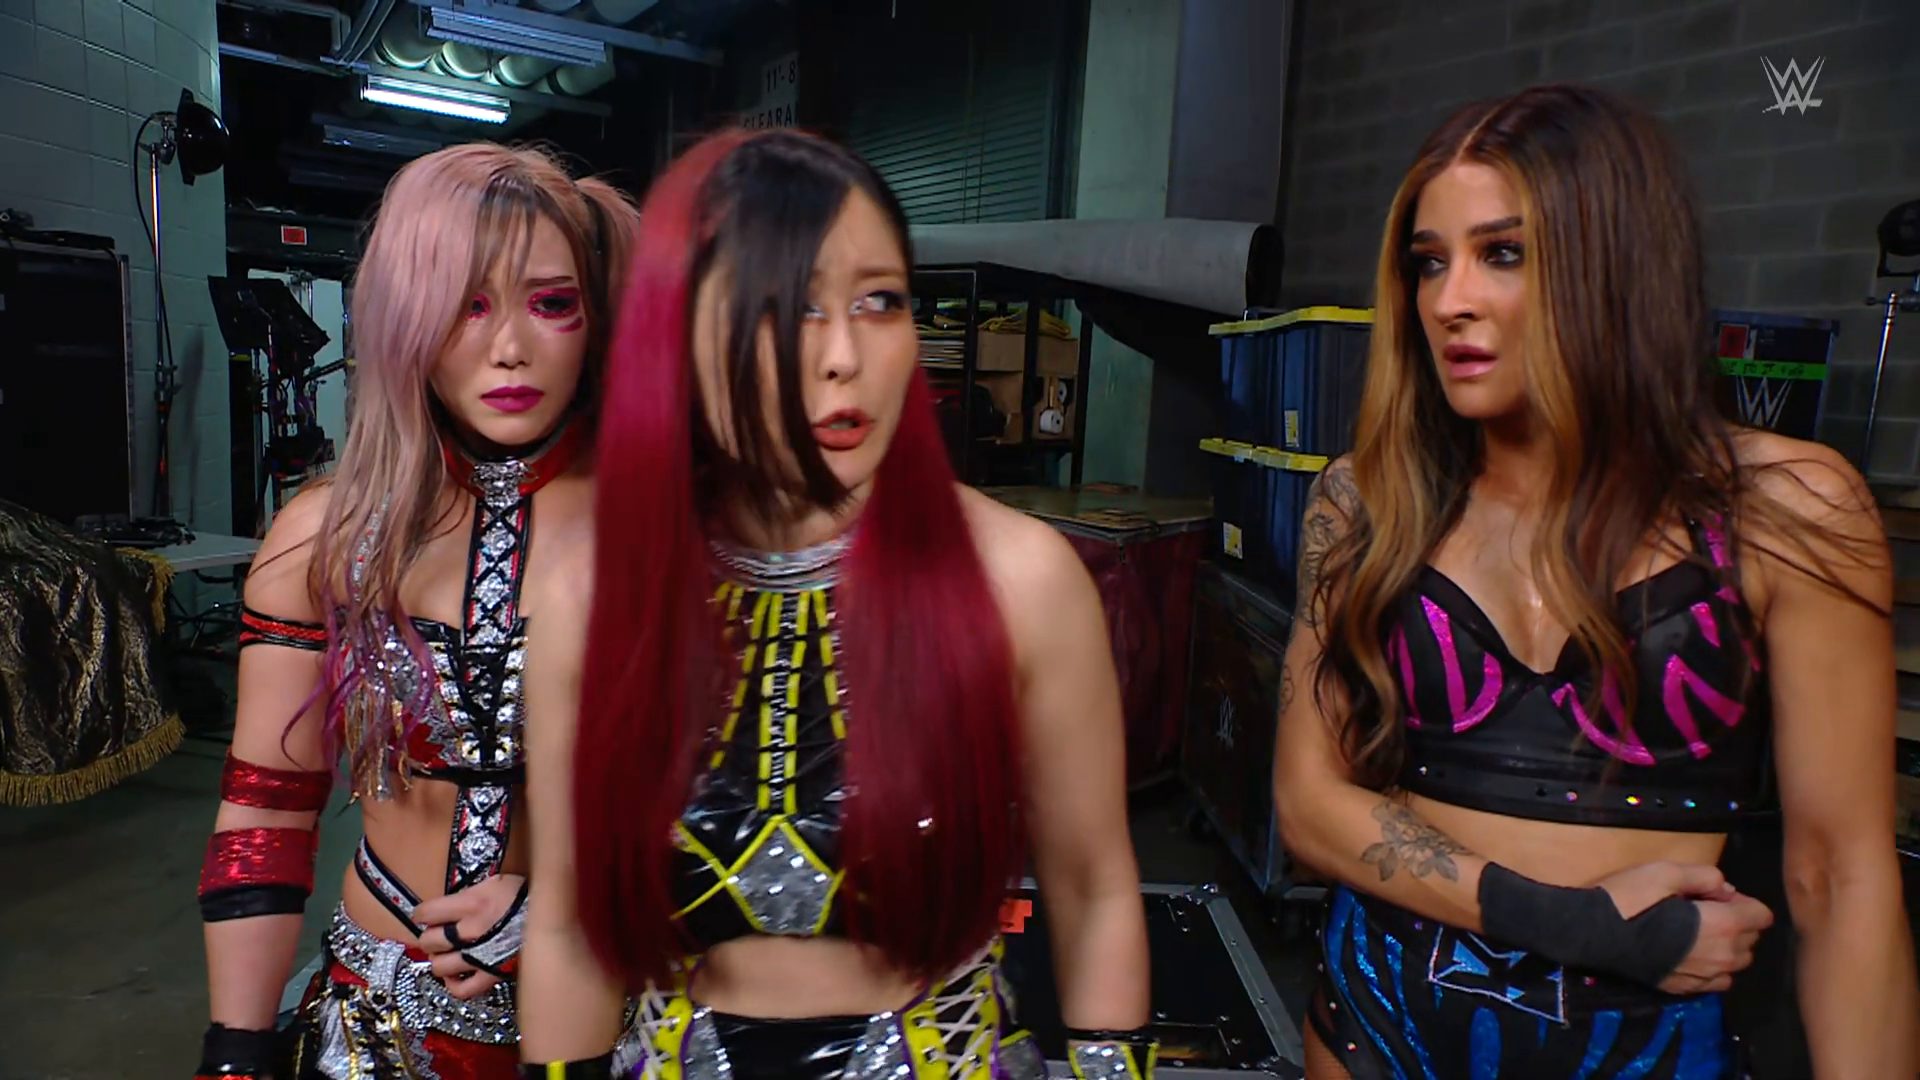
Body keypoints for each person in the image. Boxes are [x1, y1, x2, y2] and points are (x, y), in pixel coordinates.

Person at [1271, 84, 1919, 1080]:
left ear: (1616, 262)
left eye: (1504, 253)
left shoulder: (1787, 507)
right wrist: (1579, 924)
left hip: (1645, 1047)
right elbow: (1308, 802)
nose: (1448, 300)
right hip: (1380, 1021)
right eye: (1429, 262)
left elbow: (1842, 877)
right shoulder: (1365, 500)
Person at [511, 128, 1155, 1080]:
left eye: (880, 301)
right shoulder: (595, 590)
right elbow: (569, 925)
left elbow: (1094, 891)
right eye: (791, 308)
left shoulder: (1020, 579)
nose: (845, 355)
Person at [193, 142, 640, 1080]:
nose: (509, 346)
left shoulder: (670, 531)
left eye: (552, 303)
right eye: (466, 305)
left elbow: (748, 804)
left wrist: (576, 901)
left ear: (599, 317)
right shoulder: (323, 537)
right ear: (404, 318)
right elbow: (266, 811)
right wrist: (234, 1054)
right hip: (375, 1027)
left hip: (618, 1019)